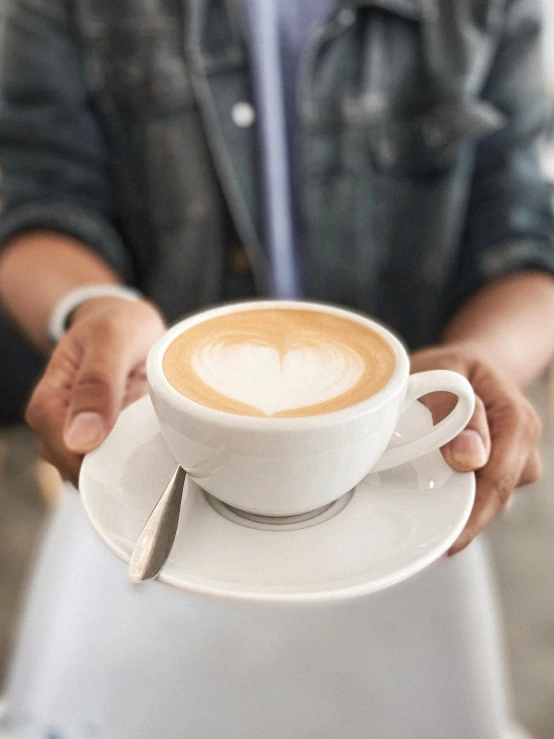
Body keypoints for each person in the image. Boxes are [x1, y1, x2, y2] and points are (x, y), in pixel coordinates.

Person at [0, 0, 553, 737]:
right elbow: (36, 195)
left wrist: (485, 359)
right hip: (144, 450)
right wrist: (94, 309)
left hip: (395, 483)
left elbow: (523, 235)